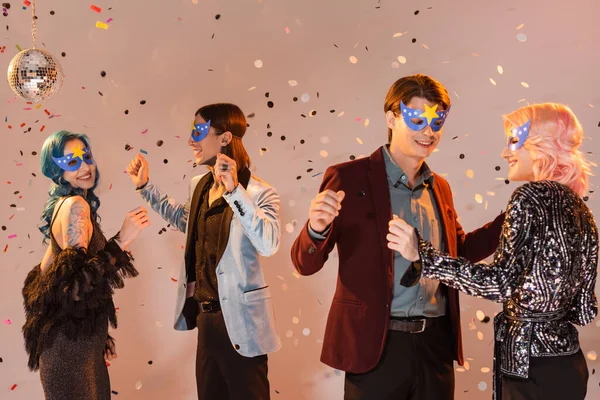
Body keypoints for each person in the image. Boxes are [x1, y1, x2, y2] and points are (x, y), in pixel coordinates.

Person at [290, 74, 505, 399]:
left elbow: (459, 253)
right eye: (417, 120)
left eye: (437, 122)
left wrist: (514, 218)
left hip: (435, 348)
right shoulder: (348, 178)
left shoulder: (440, 188)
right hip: (375, 348)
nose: (428, 132)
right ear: (391, 117)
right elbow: (304, 264)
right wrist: (315, 228)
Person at [389, 102, 598, 400]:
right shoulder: (580, 209)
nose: (505, 152)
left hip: (529, 369)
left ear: (541, 146)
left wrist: (424, 256)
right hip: (569, 365)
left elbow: (500, 283)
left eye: (515, 141)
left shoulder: (528, 197)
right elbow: (585, 309)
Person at [127, 103, 281, 399]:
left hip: (243, 323)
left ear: (225, 138)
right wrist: (145, 187)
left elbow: (269, 243)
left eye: (198, 131)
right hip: (206, 319)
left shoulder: (260, 193)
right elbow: (185, 221)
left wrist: (235, 191)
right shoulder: (199, 184)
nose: (191, 140)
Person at [22, 130, 150, 400]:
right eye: (71, 161)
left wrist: (94, 332)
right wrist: (121, 240)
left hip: (78, 349)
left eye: (86, 157)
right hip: (70, 355)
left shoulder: (64, 205)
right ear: (55, 170)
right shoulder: (76, 206)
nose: (84, 166)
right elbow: (75, 288)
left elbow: (43, 283)